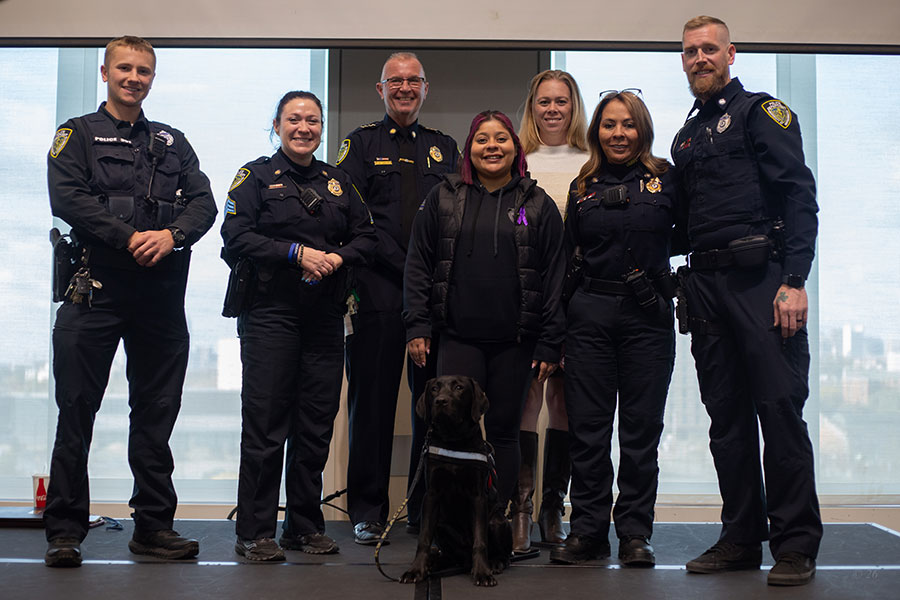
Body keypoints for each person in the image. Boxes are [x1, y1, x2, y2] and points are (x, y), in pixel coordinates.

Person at [44, 35, 216, 568]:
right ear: (105, 72)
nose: (133, 78)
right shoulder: (76, 134)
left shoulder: (173, 142)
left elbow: (204, 202)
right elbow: (67, 197)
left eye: (143, 70)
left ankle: (153, 527)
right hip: (94, 291)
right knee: (77, 410)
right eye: (124, 68)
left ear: (152, 78)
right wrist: (129, 236)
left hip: (158, 296)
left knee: (156, 413)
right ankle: (65, 530)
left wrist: (172, 235)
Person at [671, 16, 822, 586]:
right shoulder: (685, 138)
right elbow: (681, 224)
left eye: (709, 49)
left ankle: (795, 545)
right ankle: (740, 538)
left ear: (730, 53)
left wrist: (795, 280)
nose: (700, 58)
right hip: (707, 290)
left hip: (763, 284)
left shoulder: (762, 113)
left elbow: (798, 196)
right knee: (726, 422)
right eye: (691, 51)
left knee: (779, 413)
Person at [221, 91, 377, 561]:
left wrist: (335, 258)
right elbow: (235, 235)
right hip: (270, 314)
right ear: (277, 125)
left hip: (325, 316)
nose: (303, 128)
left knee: (314, 426)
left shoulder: (338, 181)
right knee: (266, 425)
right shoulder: (255, 177)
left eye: (312, 120)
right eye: (294, 119)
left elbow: (368, 237)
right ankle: (254, 531)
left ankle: (303, 527)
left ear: (321, 127)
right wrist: (295, 254)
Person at [404, 110, 566, 517]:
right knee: (450, 434)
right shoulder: (442, 197)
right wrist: (417, 324)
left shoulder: (538, 203)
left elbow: (555, 276)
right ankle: (449, 526)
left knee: (504, 434)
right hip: (457, 339)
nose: (492, 147)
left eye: (500, 139)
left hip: (516, 342)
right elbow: (419, 263)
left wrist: (550, 341)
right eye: (482, 139)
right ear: (469, 149)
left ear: (515, 147)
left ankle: (494, 523)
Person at [548, 91, 680, 567]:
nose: (618, 134)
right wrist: (558, 330)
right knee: (588, 432)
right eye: (609, 125)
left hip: (647, 317)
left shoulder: (668, 179)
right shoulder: (583, 184)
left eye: (627, 124)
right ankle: (587, 531)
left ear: (642, 129)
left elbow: (687, 236)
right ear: (596, 131)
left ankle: (635, 534)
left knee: (641, 433)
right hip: (589, 316)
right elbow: (568, 256)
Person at [336, 52, 459, 543]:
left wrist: (425, 271)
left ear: (426, 88)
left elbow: (455, 216)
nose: (405, 88)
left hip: (432, 293)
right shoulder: (360, 143)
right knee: (372, 403)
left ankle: (425, 508)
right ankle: (368, 511)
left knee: (436, 404)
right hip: (377, 287)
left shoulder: (444, 147)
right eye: (395, 81)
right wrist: (406, 264)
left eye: (413, 81)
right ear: (380, 89)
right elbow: (351, 216)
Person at [510, 69, 589, 553]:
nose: (553, 109)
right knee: (526, 400)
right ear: (532, 107)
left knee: (564, 402)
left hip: (578, 298)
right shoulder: (519, 161)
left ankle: (552, 508)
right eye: (544, 101)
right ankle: (519, 507)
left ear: (573, 107)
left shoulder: (590, 160)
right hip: (527, 296)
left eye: (562, 101)